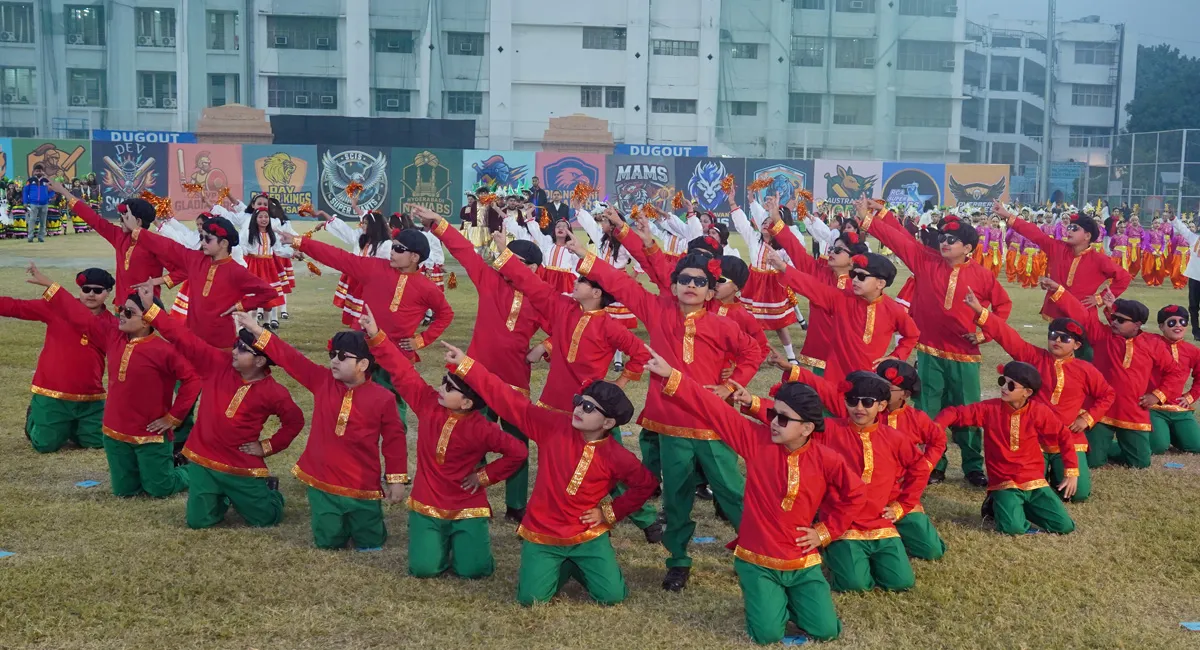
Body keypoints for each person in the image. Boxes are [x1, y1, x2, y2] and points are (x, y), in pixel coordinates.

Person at [577, 243, 766, 591]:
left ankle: (756, 553)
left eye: (699, 281)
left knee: (732, 492)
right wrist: (581, 251)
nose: (691, 285)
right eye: (684, 280)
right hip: (671, 423)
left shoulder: (722, 325)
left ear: (711, 292)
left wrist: (731, 385)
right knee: (676, 498)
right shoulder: (657, 311)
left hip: (712, 423)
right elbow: (621, 285)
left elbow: (753, 351)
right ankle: (678, 560)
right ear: (675, 285)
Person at [646, 348, 865, 644]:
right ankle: (772, 599)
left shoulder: (827, 459)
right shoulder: (756, 442)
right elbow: (714, 409)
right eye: (773, 414)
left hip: (803, 561)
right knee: (766, 635)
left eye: (783, 419)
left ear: (807, 428)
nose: (773, 422)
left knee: (826, 631)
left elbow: (855, 494)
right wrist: (672, 375)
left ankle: (788, 600)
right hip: (757, 559)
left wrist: (825, 532)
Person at [443, 341, 656, 606]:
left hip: (587, 536)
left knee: (612, 597)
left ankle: (578, 565)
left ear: (609, 422)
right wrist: (467, 365)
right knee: (531, 600)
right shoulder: (554, 426)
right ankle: (560, 566)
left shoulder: (617, 456)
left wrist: (609, 512)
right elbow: (509, 401)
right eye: (579, 402)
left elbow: (645, 484)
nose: (578, 409)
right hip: (542, 532)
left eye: (589, 408)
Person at [493, 232, 663, 543]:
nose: (575, 282)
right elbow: (531, 284)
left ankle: (646, 519)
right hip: (555, 403)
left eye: (582, 281)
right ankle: (540, 520)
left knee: (610, 468)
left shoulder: (610, 326)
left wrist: (620, 384)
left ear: (597, 292)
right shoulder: (563, 308)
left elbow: (641, 355)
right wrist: (505, 253)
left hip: (594, 410)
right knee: (552, 467)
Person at [360, 308, 528, 579]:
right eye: (443, 382)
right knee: (423, 569)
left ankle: (463, 546)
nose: (440, 388)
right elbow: (402, 371)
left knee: (474, 571)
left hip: (467, 504)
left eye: (449, 388)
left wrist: (484, 476)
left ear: (467, 402)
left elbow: (518, 452)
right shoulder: (428, 404)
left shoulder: (483, 428)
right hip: (427, 501)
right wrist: (376, 335)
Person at [860, 197, 1013, 488]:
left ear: (968, 248)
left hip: (965, 354)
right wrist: (872, 219)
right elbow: (899, 241)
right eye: (942, 237)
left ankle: (972, 466)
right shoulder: (925, 260)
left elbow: (1003, 306)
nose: (944, 242)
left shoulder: (982, 276)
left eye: (952, 240)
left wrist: (985, 334)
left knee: (967, 409)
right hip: (929, 351)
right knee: (928, 409)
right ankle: (933, 464)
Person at [237, 313, 409, 550]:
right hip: (321, 480)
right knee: (328, 542)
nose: (334, 361)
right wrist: (257, 330)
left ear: (363, 365)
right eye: (332, 355)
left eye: (342, 356)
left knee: (370, 541)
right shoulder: (322, 381)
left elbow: (394, 442)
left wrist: (396, 480)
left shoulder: (384, 398)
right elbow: (290, 358)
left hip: (362, 483)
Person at [418, 205, 545, 523]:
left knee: (517, 442)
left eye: (515, 261)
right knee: (470, 438)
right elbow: (465, 253)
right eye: (506, 259)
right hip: (474, 377)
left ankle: (516, 505)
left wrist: (544, 346)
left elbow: (566, 327)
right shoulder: (491, 281)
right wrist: (439, 224)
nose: (506, 265)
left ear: (533, 268)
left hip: (515, 380)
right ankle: (470, 495)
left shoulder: (542, 297)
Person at [141, 287, 303, 528]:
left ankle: (270, 492)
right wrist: (152, 311)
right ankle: (221, 497)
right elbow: (184, 338)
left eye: (243, 350)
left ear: (260, 361)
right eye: (236, 345)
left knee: (266, 519)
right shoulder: (217, 363)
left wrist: (267, 446)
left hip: (240, 463)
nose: (234, 351)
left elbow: (295, 421)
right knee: (198, 522)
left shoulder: (274, 392)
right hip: (202, 458)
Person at [32, 267, 200, 498]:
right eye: (122, 309)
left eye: (129, 313)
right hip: (114, 433)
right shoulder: (112, 336)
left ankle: (196, 471)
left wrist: (173, 417)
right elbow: (78, 314)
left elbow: (193, 380)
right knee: (125, 492)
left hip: (150, 435)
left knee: (160, 489)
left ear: (147, 321)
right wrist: (51, 286)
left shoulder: (166, 351)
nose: (121, 314)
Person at [279, 221, 454, 426]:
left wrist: (421, 340)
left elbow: (445, 314)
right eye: (392, 246)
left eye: (398, 249)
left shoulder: (427, 287)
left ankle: (393, 437)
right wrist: (300, 242)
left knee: (394, 408)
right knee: (353, 402)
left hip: (396, 355)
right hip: (362, 349)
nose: (392, 252)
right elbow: (339, 257)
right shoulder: (374, 268)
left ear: (415, 257)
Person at [773, 369, 929, 592]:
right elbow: (795, 423)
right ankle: (835, 552)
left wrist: (902, 505)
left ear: (882, 406)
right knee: (854, 585)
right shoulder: (829, 430)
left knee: (901, 582)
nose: (859, 408)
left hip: (880, 521)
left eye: (867, 402)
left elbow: (919, 467)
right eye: (852, 401)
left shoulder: (894, 438)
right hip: (840, 523)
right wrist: (752, 403)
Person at [964, 289, 1114, 502]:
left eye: (1065, 338)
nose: (1057, 341)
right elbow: (1007, 336)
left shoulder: (1085, 369)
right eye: (1053, 336)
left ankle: (1056, 474)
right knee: (1025, 489)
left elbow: (1107, 394)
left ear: (1077, 345)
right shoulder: (1034, 357)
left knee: (1078, 494)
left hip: (1069, 438)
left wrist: (1087, 418)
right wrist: (980, 311)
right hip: (1033, 438)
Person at [1042, 278, 1185, 469]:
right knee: (1093, 462)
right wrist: (1059, 290)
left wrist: (1158, 395)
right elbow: (1081, 315)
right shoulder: (1103, 336)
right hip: (1100, 411)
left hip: (1132, 410)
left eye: (1120, 320)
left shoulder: (1153, 344)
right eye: (1114, 317)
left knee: (1140, 464)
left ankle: (1115, 448)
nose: (1113, 321)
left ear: (1137, 324)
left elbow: (1175, 372)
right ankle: (1096, 448)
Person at [933, 362, 1078, 535]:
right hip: (1004, 480)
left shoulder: (1039, 411)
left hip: (1033, 479)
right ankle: (997, 503)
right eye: (1002, 381)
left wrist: (1071, 472)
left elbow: (1064, 435)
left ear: (1027, 392)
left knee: (1065, 526)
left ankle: (1013, 508)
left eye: (1010, 385)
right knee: (1013, 528)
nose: (1003, 387)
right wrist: (937, 426)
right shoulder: (989, 409)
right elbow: (956, 413)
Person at [997, 202, 1132, 361]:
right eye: (1069, 227)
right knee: (1057, 355)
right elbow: (1034, 234)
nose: (1069, 230)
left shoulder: (1098, 259)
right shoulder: (1057, 248)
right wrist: (1008, 216)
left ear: (1087, 236)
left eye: (1075, 228)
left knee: (1086, 357)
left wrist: (1099, 298)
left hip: (1083, 314)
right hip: (1058, 311)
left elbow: (1124, 277)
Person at [765, 249, 918, 386]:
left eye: (861, 276)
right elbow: (812, 286)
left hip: (871, 382)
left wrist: (896, 357)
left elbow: (912, 335)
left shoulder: (893, 310)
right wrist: (783, 266)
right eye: (853, 274)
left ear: (880, 283)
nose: (855, 280)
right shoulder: (841, 299)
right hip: (836, 380)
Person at [1, 267, 113, 453]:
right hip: (52, 393)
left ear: (108, 292)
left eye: (98, 290)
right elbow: (17, 307)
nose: (91, 294)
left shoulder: (112, 323)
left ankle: (69, 426)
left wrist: (52, 287)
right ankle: (35, 417)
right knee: (45, 445)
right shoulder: (56, 308)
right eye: (86, 289)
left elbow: (86, 322)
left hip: (91, 396)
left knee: (98, 442)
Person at [130, 216, 280, 350]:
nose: (202, 242)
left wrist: (240, 306)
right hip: (193, 338)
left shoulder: (236, 271)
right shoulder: (195, 259)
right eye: (202, 237)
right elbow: (168, 247)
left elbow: (269, 292)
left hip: (220, 343)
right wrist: (138, 231)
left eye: (208, 239)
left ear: (224, 243)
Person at [767, 209, 869, 374]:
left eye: (838, 250)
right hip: (822, 351)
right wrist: (777, 219)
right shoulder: (820, 272)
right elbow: (796, 250)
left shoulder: (861, 286)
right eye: (832, 248)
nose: (831, 252)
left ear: (853, 260)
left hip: (849, 354)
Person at [52, 181, 171, 307]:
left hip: (147, 306)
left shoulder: (155, 244)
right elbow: (92, 218)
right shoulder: (119, 236)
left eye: (123, 218)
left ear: (137, 221)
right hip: (122, 306)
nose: (120, 222)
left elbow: (181, 271)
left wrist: (156, 281)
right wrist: (64, 191)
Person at [1147, 305, 1200, 454]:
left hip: (1178, 407)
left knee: (1196, 446)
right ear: (1161, 326)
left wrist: (1190, 397)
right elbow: (1129, 329)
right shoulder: (1151, 343)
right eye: (1172, 322)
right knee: (1157, 447)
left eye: (1182, 322)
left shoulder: (1192, 351)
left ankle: (1170, 432)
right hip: (1153, 406)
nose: (1178, 325)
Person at [237, 208, 292, 329]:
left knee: (269, 295)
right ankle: (252, 323)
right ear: (255, 219)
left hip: (268, 267)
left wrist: (292, 253)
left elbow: (278, 250)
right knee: (253, 296)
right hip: (253, 266)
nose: (264, 219)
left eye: (266, 217)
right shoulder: (248, 233)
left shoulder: (272, 234)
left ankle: (267, 323)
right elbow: (241, 247)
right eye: (260, 217)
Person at [1166, 214, 1200, 340]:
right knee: (1193, 306)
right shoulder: (1194, 238)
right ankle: (1196, 332)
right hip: (1195, 277)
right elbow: (1182, 229)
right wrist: (1173, 218)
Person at [23, 163, 50, 243]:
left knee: (43, 221)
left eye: (40, 171)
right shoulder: (30, 181)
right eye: (37, 171)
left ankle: (41, 237)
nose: (38, 172)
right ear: (34, 172)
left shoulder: (46, 181)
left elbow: (52, 190)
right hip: (33, 204)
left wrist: (48, 197)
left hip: (44, 204)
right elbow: (25, 191)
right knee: (32, 220)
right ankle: (30, 237)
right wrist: (25, 202)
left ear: (43, 171)